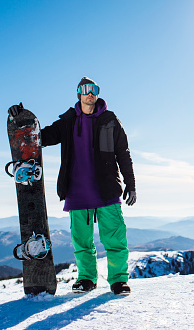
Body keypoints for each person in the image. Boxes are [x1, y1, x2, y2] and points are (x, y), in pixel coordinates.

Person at [40, 77, 136, 294]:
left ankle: (118, 280)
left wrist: (130, 183)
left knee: (115, 238)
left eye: (93, 89)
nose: (89, 93)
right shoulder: (68, 121)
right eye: (85, 90)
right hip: (76, 191)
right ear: (78, 94)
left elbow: (123, 153)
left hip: (107, 190)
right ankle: (86, 279)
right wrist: (25, 123)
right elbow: (43, 137)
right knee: (81, 241)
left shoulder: (110, 120)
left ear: (97, 93)